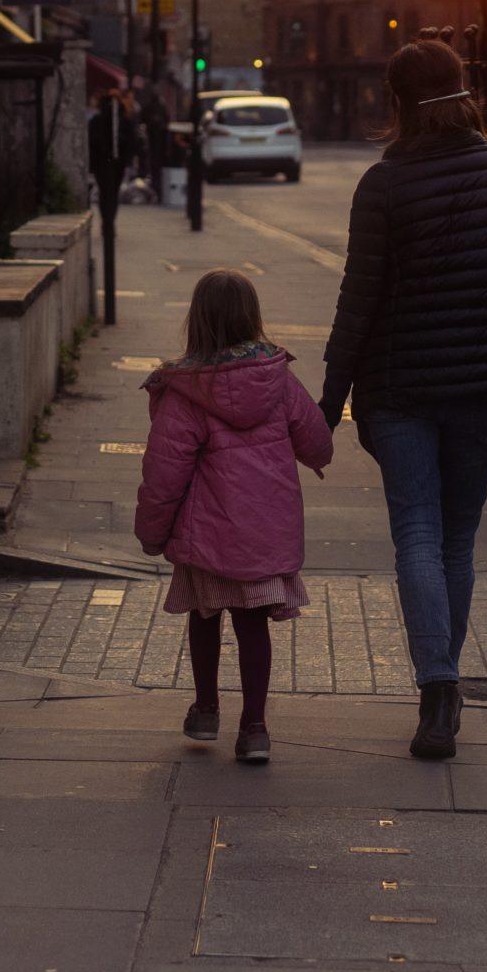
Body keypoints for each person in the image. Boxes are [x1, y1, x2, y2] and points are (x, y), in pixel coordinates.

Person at [319, 39, 487, 762]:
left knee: (417, 536)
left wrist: (328, 404)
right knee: (454, 539)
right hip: (486, 391)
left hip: (400, 391)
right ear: (464, 93)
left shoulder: (383, 186)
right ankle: (442, 685)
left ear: (397, 102)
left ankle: (438, 688)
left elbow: (356, 304)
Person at [134, 269, 333, 765]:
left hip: (207, 535)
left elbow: (164, 473)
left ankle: (205, 709)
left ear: (196, 321)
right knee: (252, 627)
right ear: (252, 317)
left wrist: (152, 532)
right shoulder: (278, 379)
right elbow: (318, 441)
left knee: (204, 618)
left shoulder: (186, 392)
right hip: (263, 534)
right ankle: (255, 728)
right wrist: (313, 458)